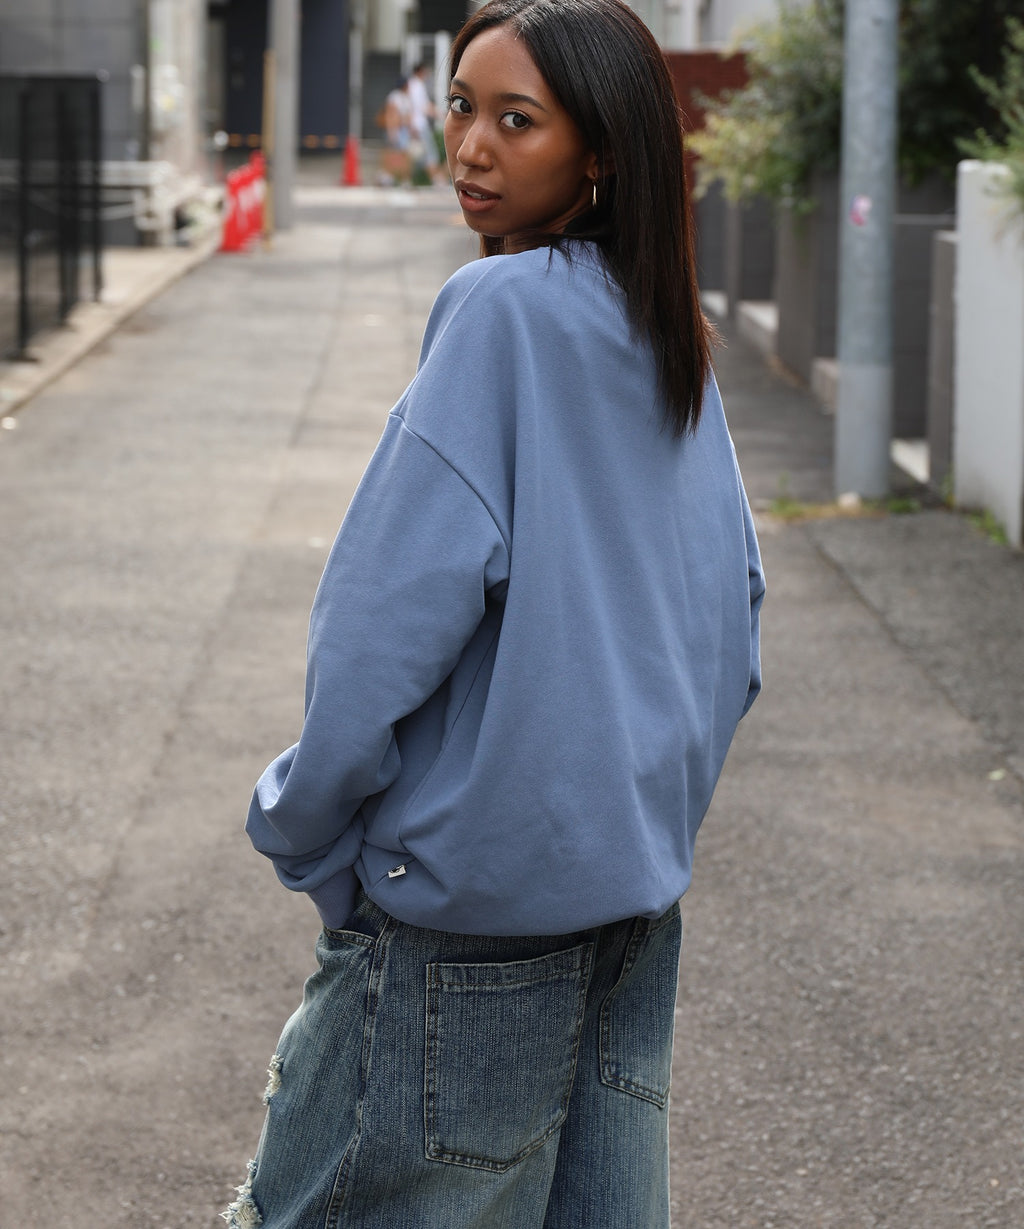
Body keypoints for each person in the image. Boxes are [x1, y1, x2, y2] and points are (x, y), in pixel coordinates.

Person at [222, 1, 764, 1226]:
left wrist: (306, 827)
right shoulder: (666, 328)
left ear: (601, 152)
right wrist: (633, 816)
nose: (468, 144)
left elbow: (376, 628)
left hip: (463, 924)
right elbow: (732, 618)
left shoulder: (499, 313)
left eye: (517, 121)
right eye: (463, 106)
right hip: (628, 909)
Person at [406, 61, 444, 184]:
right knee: (430, 153)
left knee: (417, 155)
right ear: (420, 71)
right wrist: (440, 115)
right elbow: (424, 107)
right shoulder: (417, 86)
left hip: (414, 126)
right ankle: (437, 180)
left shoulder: (411, 85)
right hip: (420, 125)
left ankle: (408, 179)